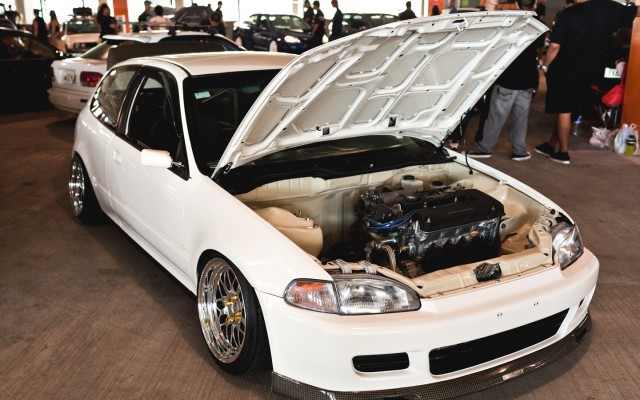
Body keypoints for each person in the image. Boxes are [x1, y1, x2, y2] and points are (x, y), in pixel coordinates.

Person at [537, 0, 637, 165]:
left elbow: (554, 46)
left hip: (564, 68)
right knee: (566, 108)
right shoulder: (610, 8)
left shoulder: (568, 13)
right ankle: (552, 144)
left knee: (563, 109)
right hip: (589, 70)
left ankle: (563, 153)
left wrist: (545, 65)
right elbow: (633, 14)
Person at [467, 0, 544, 161]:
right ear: (535, 4)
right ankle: (519, 151)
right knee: (520, 119)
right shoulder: (539, 25)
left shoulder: (511, 22)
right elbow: (539, 48)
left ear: (516, 3)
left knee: (496, 117)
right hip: (528, 79)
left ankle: (484, 148)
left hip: (508, 78)